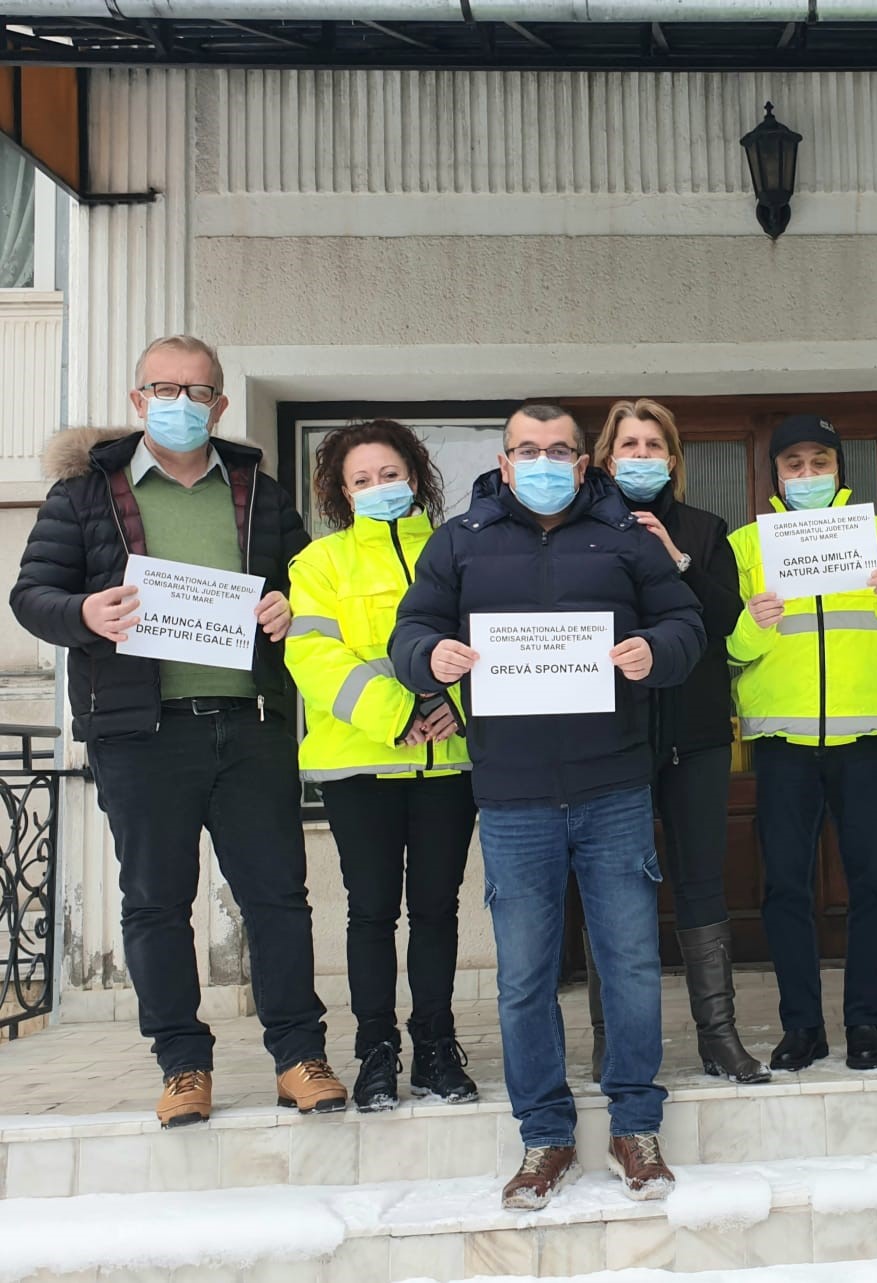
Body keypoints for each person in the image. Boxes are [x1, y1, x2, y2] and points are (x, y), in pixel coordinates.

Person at [10, 334, 346, 1126]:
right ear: (138, 401)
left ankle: (298, 1054)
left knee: (278, 899)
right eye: (165, 389)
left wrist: (289, 608)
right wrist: (85, 613)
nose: (182, 404)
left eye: (198, 392)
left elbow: (304, 583)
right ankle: (182, 1064)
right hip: (139, 731)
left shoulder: (259, 491)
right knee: (156, 902)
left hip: (251, 722)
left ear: (220, 404)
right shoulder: (85, 495)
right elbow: (32, 595)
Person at [389, 403, 704, 1211]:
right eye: (527, 449)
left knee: (630, 966)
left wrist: (655, 651)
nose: (542, 460)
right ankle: (545, 1135)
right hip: (512, 793)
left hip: (613, 788)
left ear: (580, 459)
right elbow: (410, 629)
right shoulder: (459, 539)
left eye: (558, 449)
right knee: (524, 977)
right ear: (503, 456)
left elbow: (685, 622)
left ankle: (636, 1125)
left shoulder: (625, 536)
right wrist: (432, 655)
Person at [728, 414, 877, 1074]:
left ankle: (863, 1023)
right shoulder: (747, 545)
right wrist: (753, 624)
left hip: (866, 738)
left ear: (839, 468)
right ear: (774, 474)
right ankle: (802, 1026)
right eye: (792, 463)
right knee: (785, 889)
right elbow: (728, 651)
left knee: (873, 884)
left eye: (818, 461)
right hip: (782, 740)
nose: (806, 475)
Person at [285, 420, 478, 1113]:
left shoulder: (459, 550)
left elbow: (490, 640)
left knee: (435, 908)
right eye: (360, 480)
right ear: (341, 492)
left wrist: (462, 703)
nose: (378, 488)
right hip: (361, 764)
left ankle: (433, 1046)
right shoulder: (320, 563)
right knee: (370, 911)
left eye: (388, 474)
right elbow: (313, 657)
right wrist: (397, 713)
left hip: (448, 762)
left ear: (416, 476)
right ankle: (375, 1050)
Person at [587, 398, 769, 1085]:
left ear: (672, 458)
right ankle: (614, 1041)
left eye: (652, 445)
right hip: (612, 737)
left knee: (700, 881)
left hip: (693, 734)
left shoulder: (703, 528)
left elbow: (726, 621)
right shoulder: (583, 527)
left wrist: (677, 557)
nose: (640, 456)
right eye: (627, 445)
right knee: (613, 892)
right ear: (605, 459)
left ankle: (718, 1037)